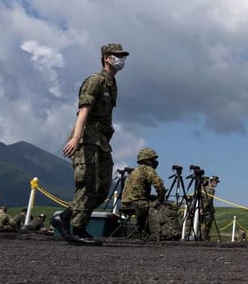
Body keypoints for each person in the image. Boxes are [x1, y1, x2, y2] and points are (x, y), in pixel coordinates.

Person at [53, 43, 129, 245]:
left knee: (102, 187)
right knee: (86, 184)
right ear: (106, 58)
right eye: (117, 55)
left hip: (101, 142)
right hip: (86, 139)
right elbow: (84, 110)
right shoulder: (95, 81)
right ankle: (77, 229)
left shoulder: (112, 85)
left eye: (123, 56)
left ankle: (66, 217)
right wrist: (76, 138)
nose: (121, 59)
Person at [121, 147, 166, 238]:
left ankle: (141, 231)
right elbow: (159, 184)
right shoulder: (147, 169)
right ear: (147, 160)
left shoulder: (134, 171)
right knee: (159, 206)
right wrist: (161, 198)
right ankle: (155, 233)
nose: (155, 162)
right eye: (153, 159)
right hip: (138, 205)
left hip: (125, 204)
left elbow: (136, 191)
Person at [199, 175, 218, 240]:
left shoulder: (205, 188)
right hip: (207, 210)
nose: (216, 183)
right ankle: (203, 238)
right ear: (212, 181)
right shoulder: (211, 189)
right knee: (206, 225)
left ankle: (203, 237)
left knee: (204, 224)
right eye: (215, 182)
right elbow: (207, 200)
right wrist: (202, 209)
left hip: (206, 209)